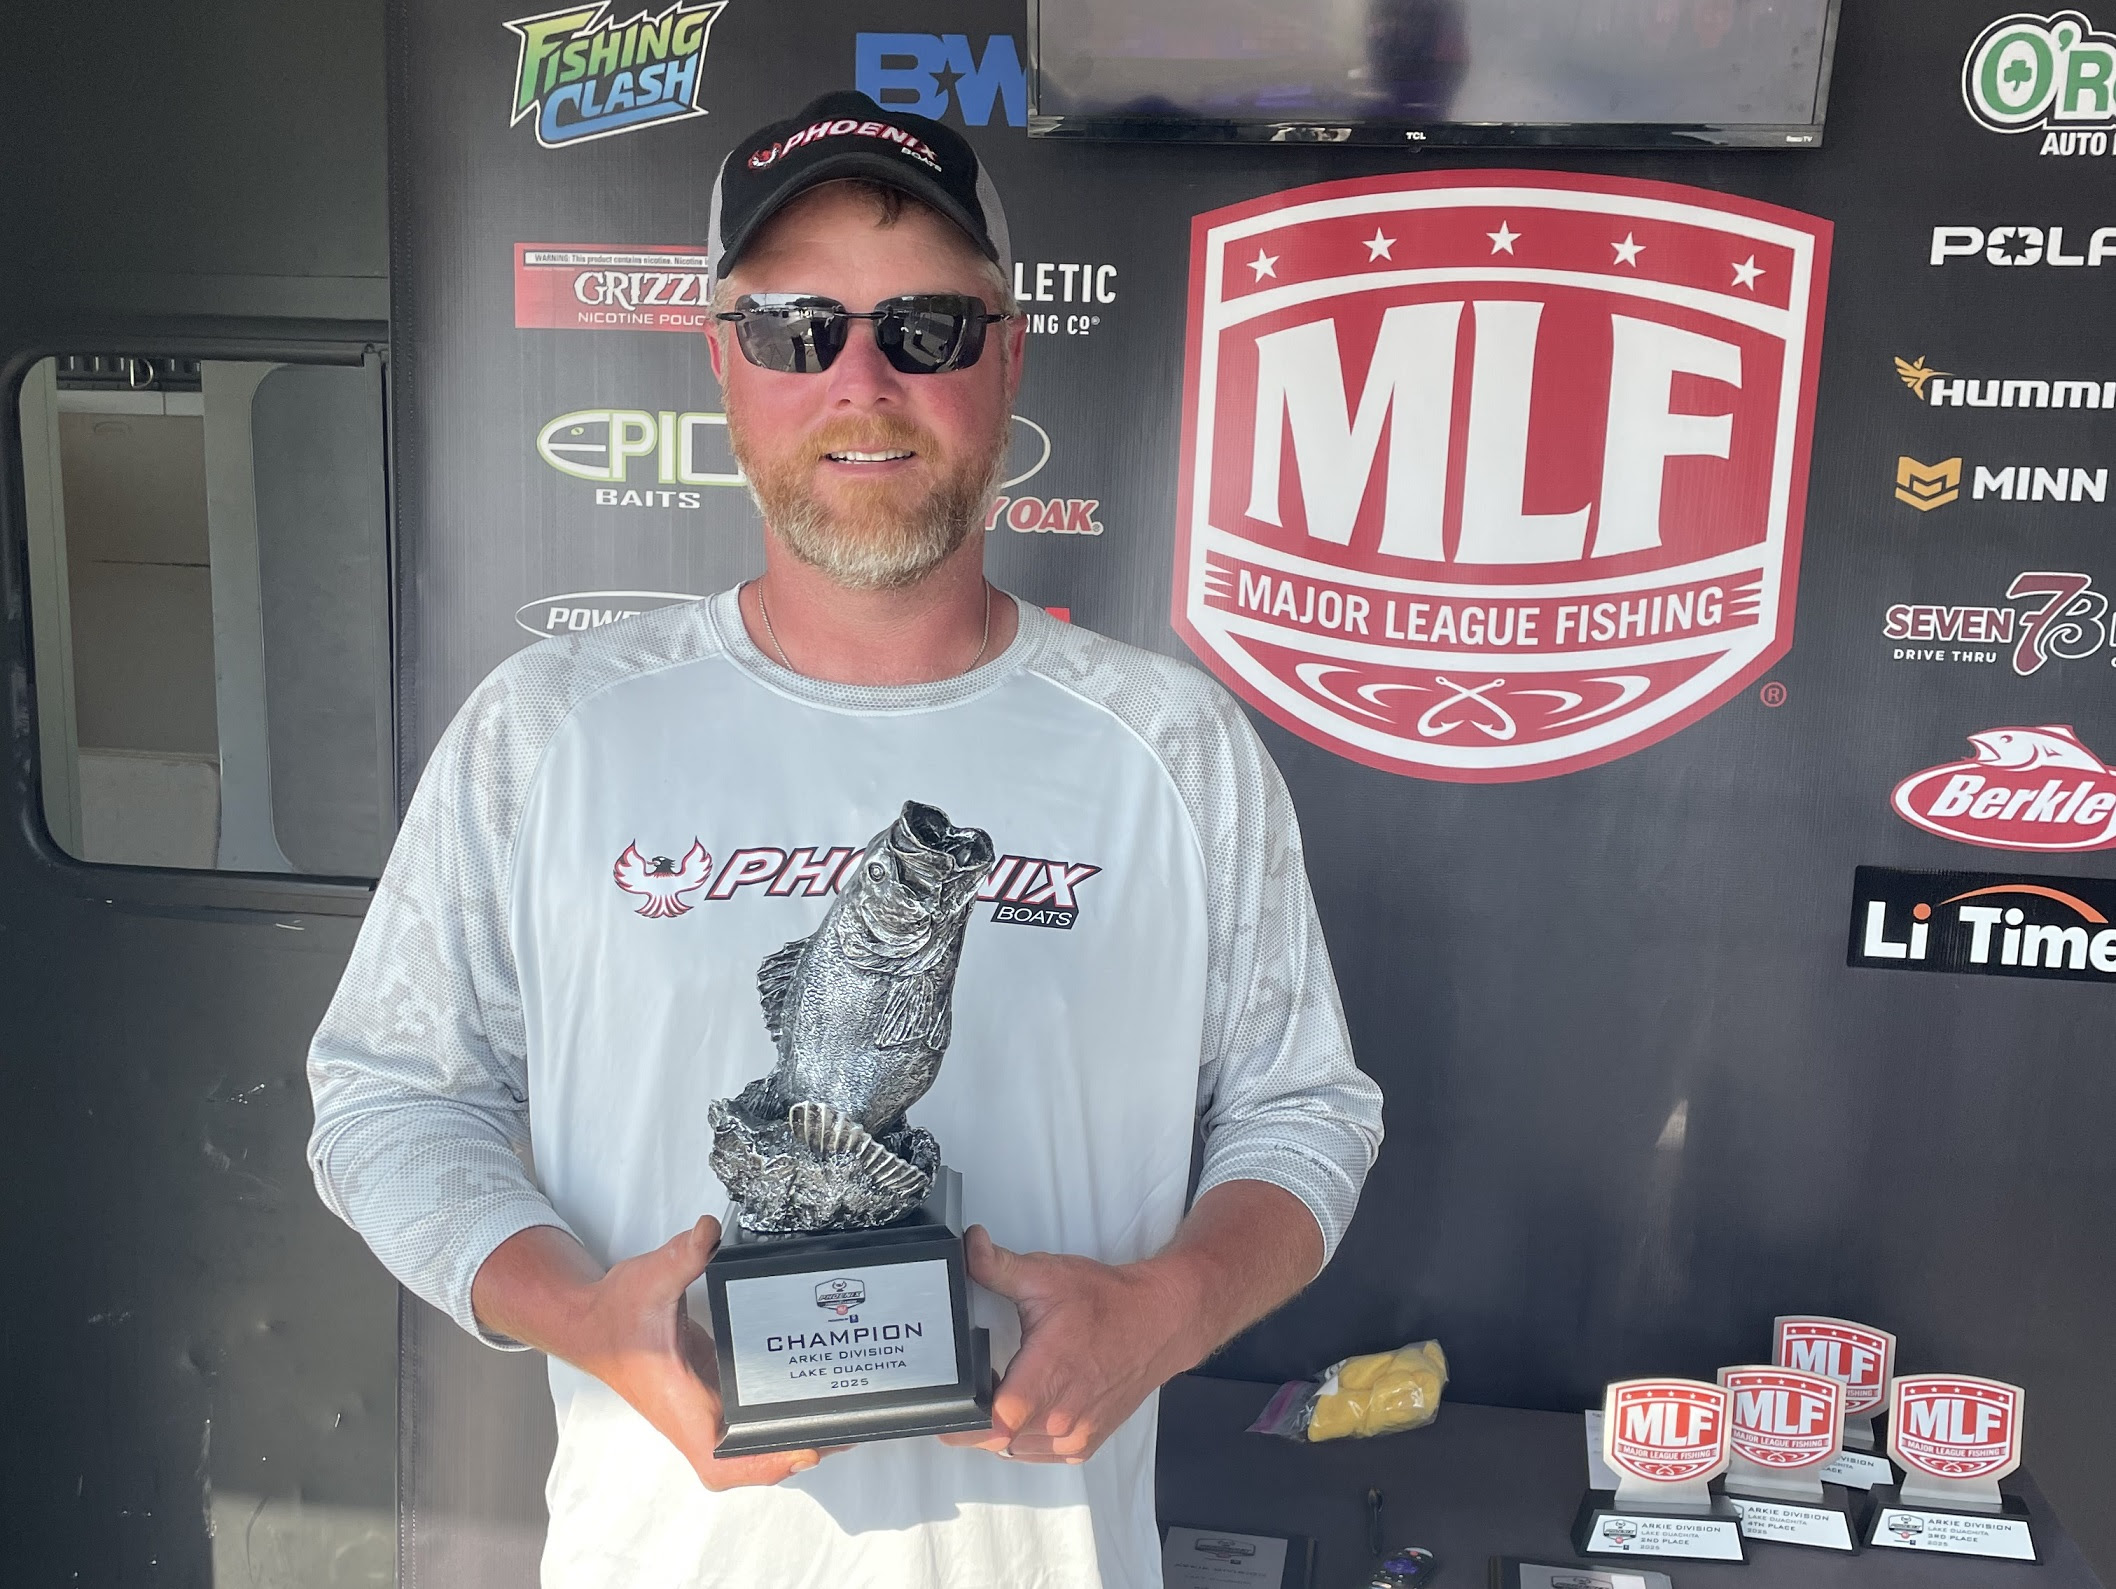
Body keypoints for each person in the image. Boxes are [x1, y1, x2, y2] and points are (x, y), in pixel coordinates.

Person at [307, 89, 1383, 1589]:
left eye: (925, 328)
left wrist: (1170, 1309)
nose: (860, 382)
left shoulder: (1177, 746)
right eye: (795, 328)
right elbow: (388, 1102)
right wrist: (584, 1316)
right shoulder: (545, 732)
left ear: (1009, 355)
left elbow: (1303, 1111)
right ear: (723, 362)